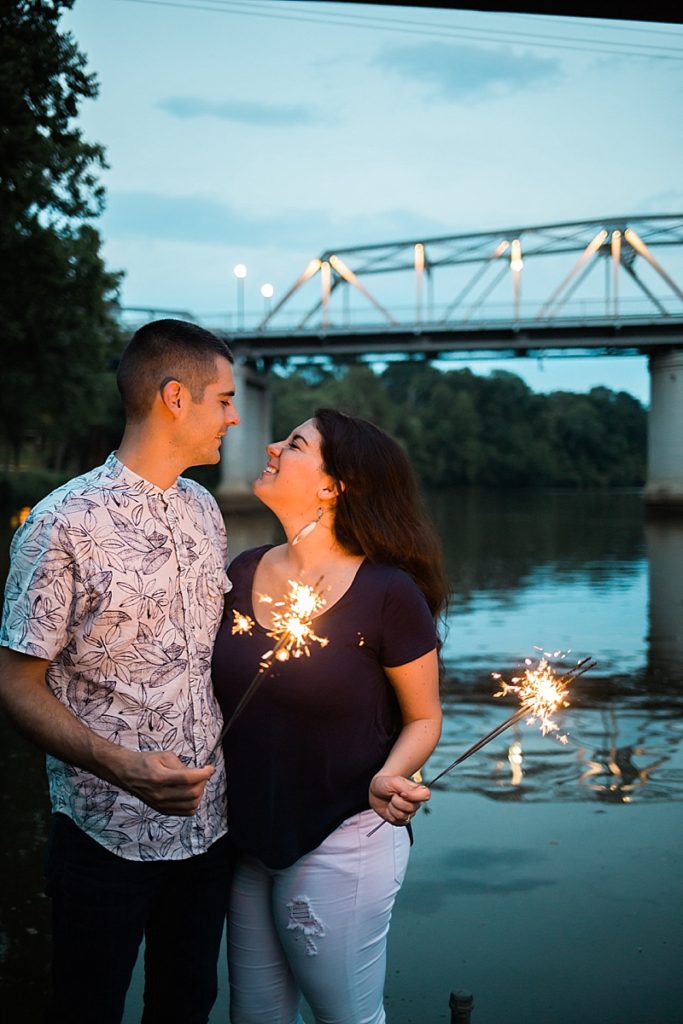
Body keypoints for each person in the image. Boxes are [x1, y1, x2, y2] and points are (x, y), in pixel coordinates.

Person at [0, 319, 240, 1024]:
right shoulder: (61, 523)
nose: (234, 415)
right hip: (104, 836)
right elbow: (14, 683)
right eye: (223, 399)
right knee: (87, 1009)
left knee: (187, 1004)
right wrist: (121, 767)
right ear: (174, 397)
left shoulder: (205, 510)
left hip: (208, 831)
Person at [212, 407, 449, 1024]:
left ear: (332, 486)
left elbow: (424, 718)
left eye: (293, 443)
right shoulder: (241, 571)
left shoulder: (388, 593)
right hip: (250, 840)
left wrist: (392, 774)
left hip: (343, 838)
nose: (268, 447)